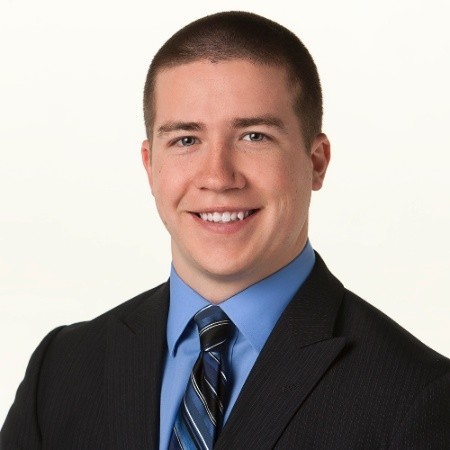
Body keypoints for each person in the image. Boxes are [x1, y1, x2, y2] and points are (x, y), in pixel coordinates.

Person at [1, 10, 449, 450]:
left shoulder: (421, 398)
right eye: (186, 140)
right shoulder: (59, 370)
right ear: (150, 166)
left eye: (254, 136)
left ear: (316, 162)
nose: (217, 177)